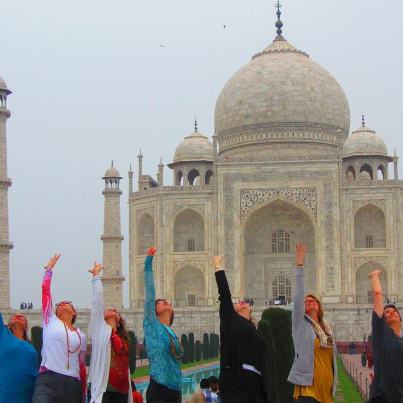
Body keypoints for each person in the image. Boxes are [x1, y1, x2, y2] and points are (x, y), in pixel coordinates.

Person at [32, 254, 87, 403]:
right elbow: (45, 290)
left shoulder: (80, 336)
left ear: (74, 311)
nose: (62, 304)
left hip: (72, 384)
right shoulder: (50, 320)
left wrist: (83, 393)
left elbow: (81, 366)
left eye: (66, 303)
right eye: (59, 304)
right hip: (48, 380)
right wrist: (49, 271)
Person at [288, 244, 337, 403]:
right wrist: (300, 262)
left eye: (313, 300)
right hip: (308, 390)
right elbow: (298, 295)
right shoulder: (300, 326)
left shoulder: (326, 330)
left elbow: (331, 360)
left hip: (326, 391)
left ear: (319, 305)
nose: (310, 302)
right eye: (306, 302)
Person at [213, 255, 267, 403]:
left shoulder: (255, 330)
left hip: (255, 383)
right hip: (235, 380)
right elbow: (224, 295)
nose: (242, 302)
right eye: (238, 302)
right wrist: (218, 267)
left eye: (245, 301)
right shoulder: (230, 319)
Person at [88, 262, 132, 403]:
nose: (112, 309)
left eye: (115, 310)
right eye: (109, 309)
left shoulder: (123, 338)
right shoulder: (99, 330)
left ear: (119, 320)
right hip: (105, 389)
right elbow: (97, 302)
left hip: (122, 390)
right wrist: (96, 277)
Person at [143, 247, 182, 402]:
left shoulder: (171, 333)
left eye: (165, 301)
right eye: (158, 303)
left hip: (176, 389)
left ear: (172, 311)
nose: (163, 302)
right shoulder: (151, 325)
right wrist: (148, 261)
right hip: (159, 387)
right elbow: (150, 291)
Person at [367, 269, 403, 403]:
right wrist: (375, 276)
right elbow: (377, 295)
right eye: (387, 312)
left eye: (394, 311)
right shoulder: (381, 336)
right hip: (382, 397)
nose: (392, 313)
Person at [0, 311, 37, 403]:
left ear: (26, 327)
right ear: (8, 325)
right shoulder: (3, 336)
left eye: (22, 316)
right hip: (5, 395)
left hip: (26, 396)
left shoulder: (31, 347)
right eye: (14, 316)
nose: (18, 315)